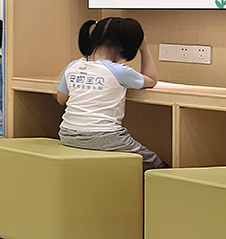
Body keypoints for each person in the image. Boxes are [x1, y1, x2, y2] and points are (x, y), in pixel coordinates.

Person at [57, 16, 166, 169]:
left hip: (67, 134)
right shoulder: (120, 71)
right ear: (126, 46)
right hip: (105, 136)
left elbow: (61, 98)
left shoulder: (73, 65)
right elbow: (151, 80)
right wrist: (144, 49)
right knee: (157, 165)